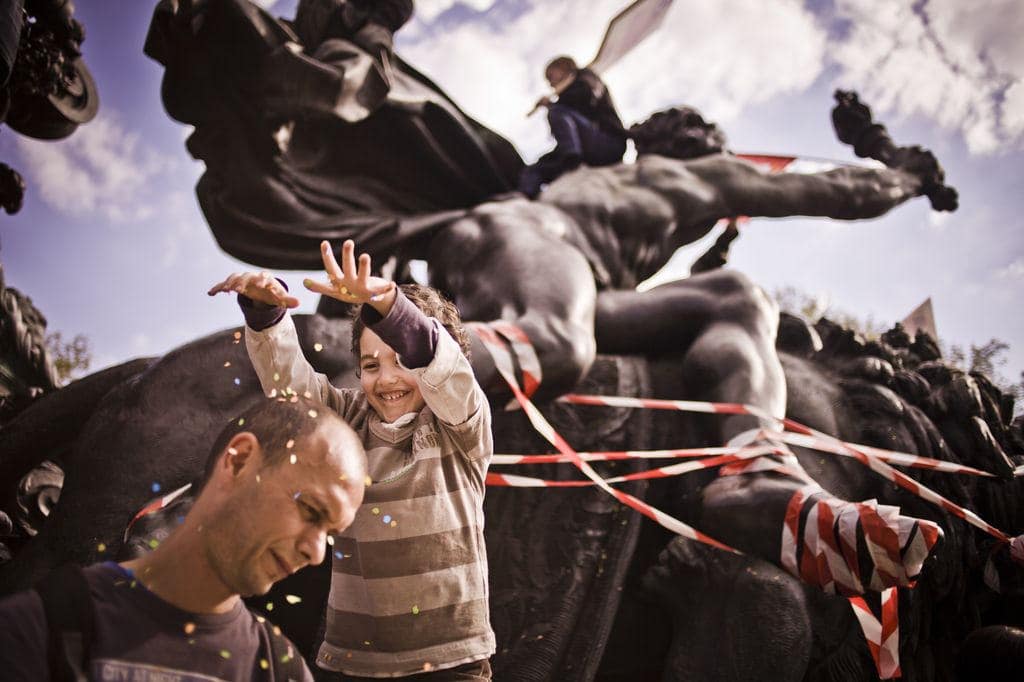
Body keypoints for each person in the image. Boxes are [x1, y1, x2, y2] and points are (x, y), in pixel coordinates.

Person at [208, 238, 495, 680]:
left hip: (450, 661)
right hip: (351, 662)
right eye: (372, 365)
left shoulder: (461, 422)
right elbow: (290, 389)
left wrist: (388, 304)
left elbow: (443, 365)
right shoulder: (345, 418)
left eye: (403, 361)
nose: (388, 378)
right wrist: (267, 316)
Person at [0, 395, 367, 681]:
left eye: (331, 534)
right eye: (311, 512)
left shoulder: (281, 670)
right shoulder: (43, 625)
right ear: (238, 461)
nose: (317, 552)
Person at [518, 55, 629, 198]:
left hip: (608, 143)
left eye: (551, 76)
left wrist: (552, 103)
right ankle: (523, 197)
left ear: (563, 67)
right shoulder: (564, 99)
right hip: (583, 149)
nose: (550, 83)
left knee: (557, 112)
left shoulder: (587, 77)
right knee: (535, 169)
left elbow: (585, 97)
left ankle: (573, 163)